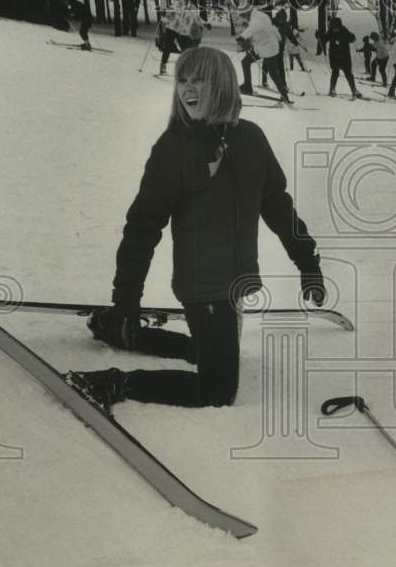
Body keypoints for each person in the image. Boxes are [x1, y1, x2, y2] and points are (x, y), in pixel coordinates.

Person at [67, 47, 325, 412]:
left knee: (208, 350)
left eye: (198, 80)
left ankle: (118, 331)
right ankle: (113, 382)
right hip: (202, 287)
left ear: (221, 85)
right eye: (182, 80)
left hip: (236, 282)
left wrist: (308, 262)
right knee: (218, 389)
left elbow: (278, 206)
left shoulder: (250, 138)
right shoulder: (174, 148)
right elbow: (143, 226)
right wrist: (126, 298)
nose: (187, 89)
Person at [239, 8, 292, 103]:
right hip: (261, 46)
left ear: (247, 12)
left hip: (268, 47)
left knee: (273, 74)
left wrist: (242, 37)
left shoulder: (256, 19)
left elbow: (254, 28)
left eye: (243, 15)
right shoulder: (258, 15)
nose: (244, 18)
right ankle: (247, 86)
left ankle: (284, 96)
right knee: (245, 62)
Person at [157, 0, 203, 76]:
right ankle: (163, 66)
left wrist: (204, 24)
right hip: (172, 28)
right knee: (168, 46)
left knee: (186, 50)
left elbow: (197, 18)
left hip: (183, 31)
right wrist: (164, 12)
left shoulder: (193, 7)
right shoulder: (178, 3)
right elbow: (170, 12)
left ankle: (187, 68)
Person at [318, 17, 362, 98]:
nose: (335, 29)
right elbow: (325, 39)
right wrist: (319, 36)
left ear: (339, 26)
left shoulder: (344, 30)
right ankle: (332, 89)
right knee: (335, 73)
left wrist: (352, 37)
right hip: (334, 56)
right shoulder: (331, 31)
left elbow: (351, 39)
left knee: (348, 74)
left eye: (336, 28)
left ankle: (354, 90)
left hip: (345, 56)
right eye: (333, 28)